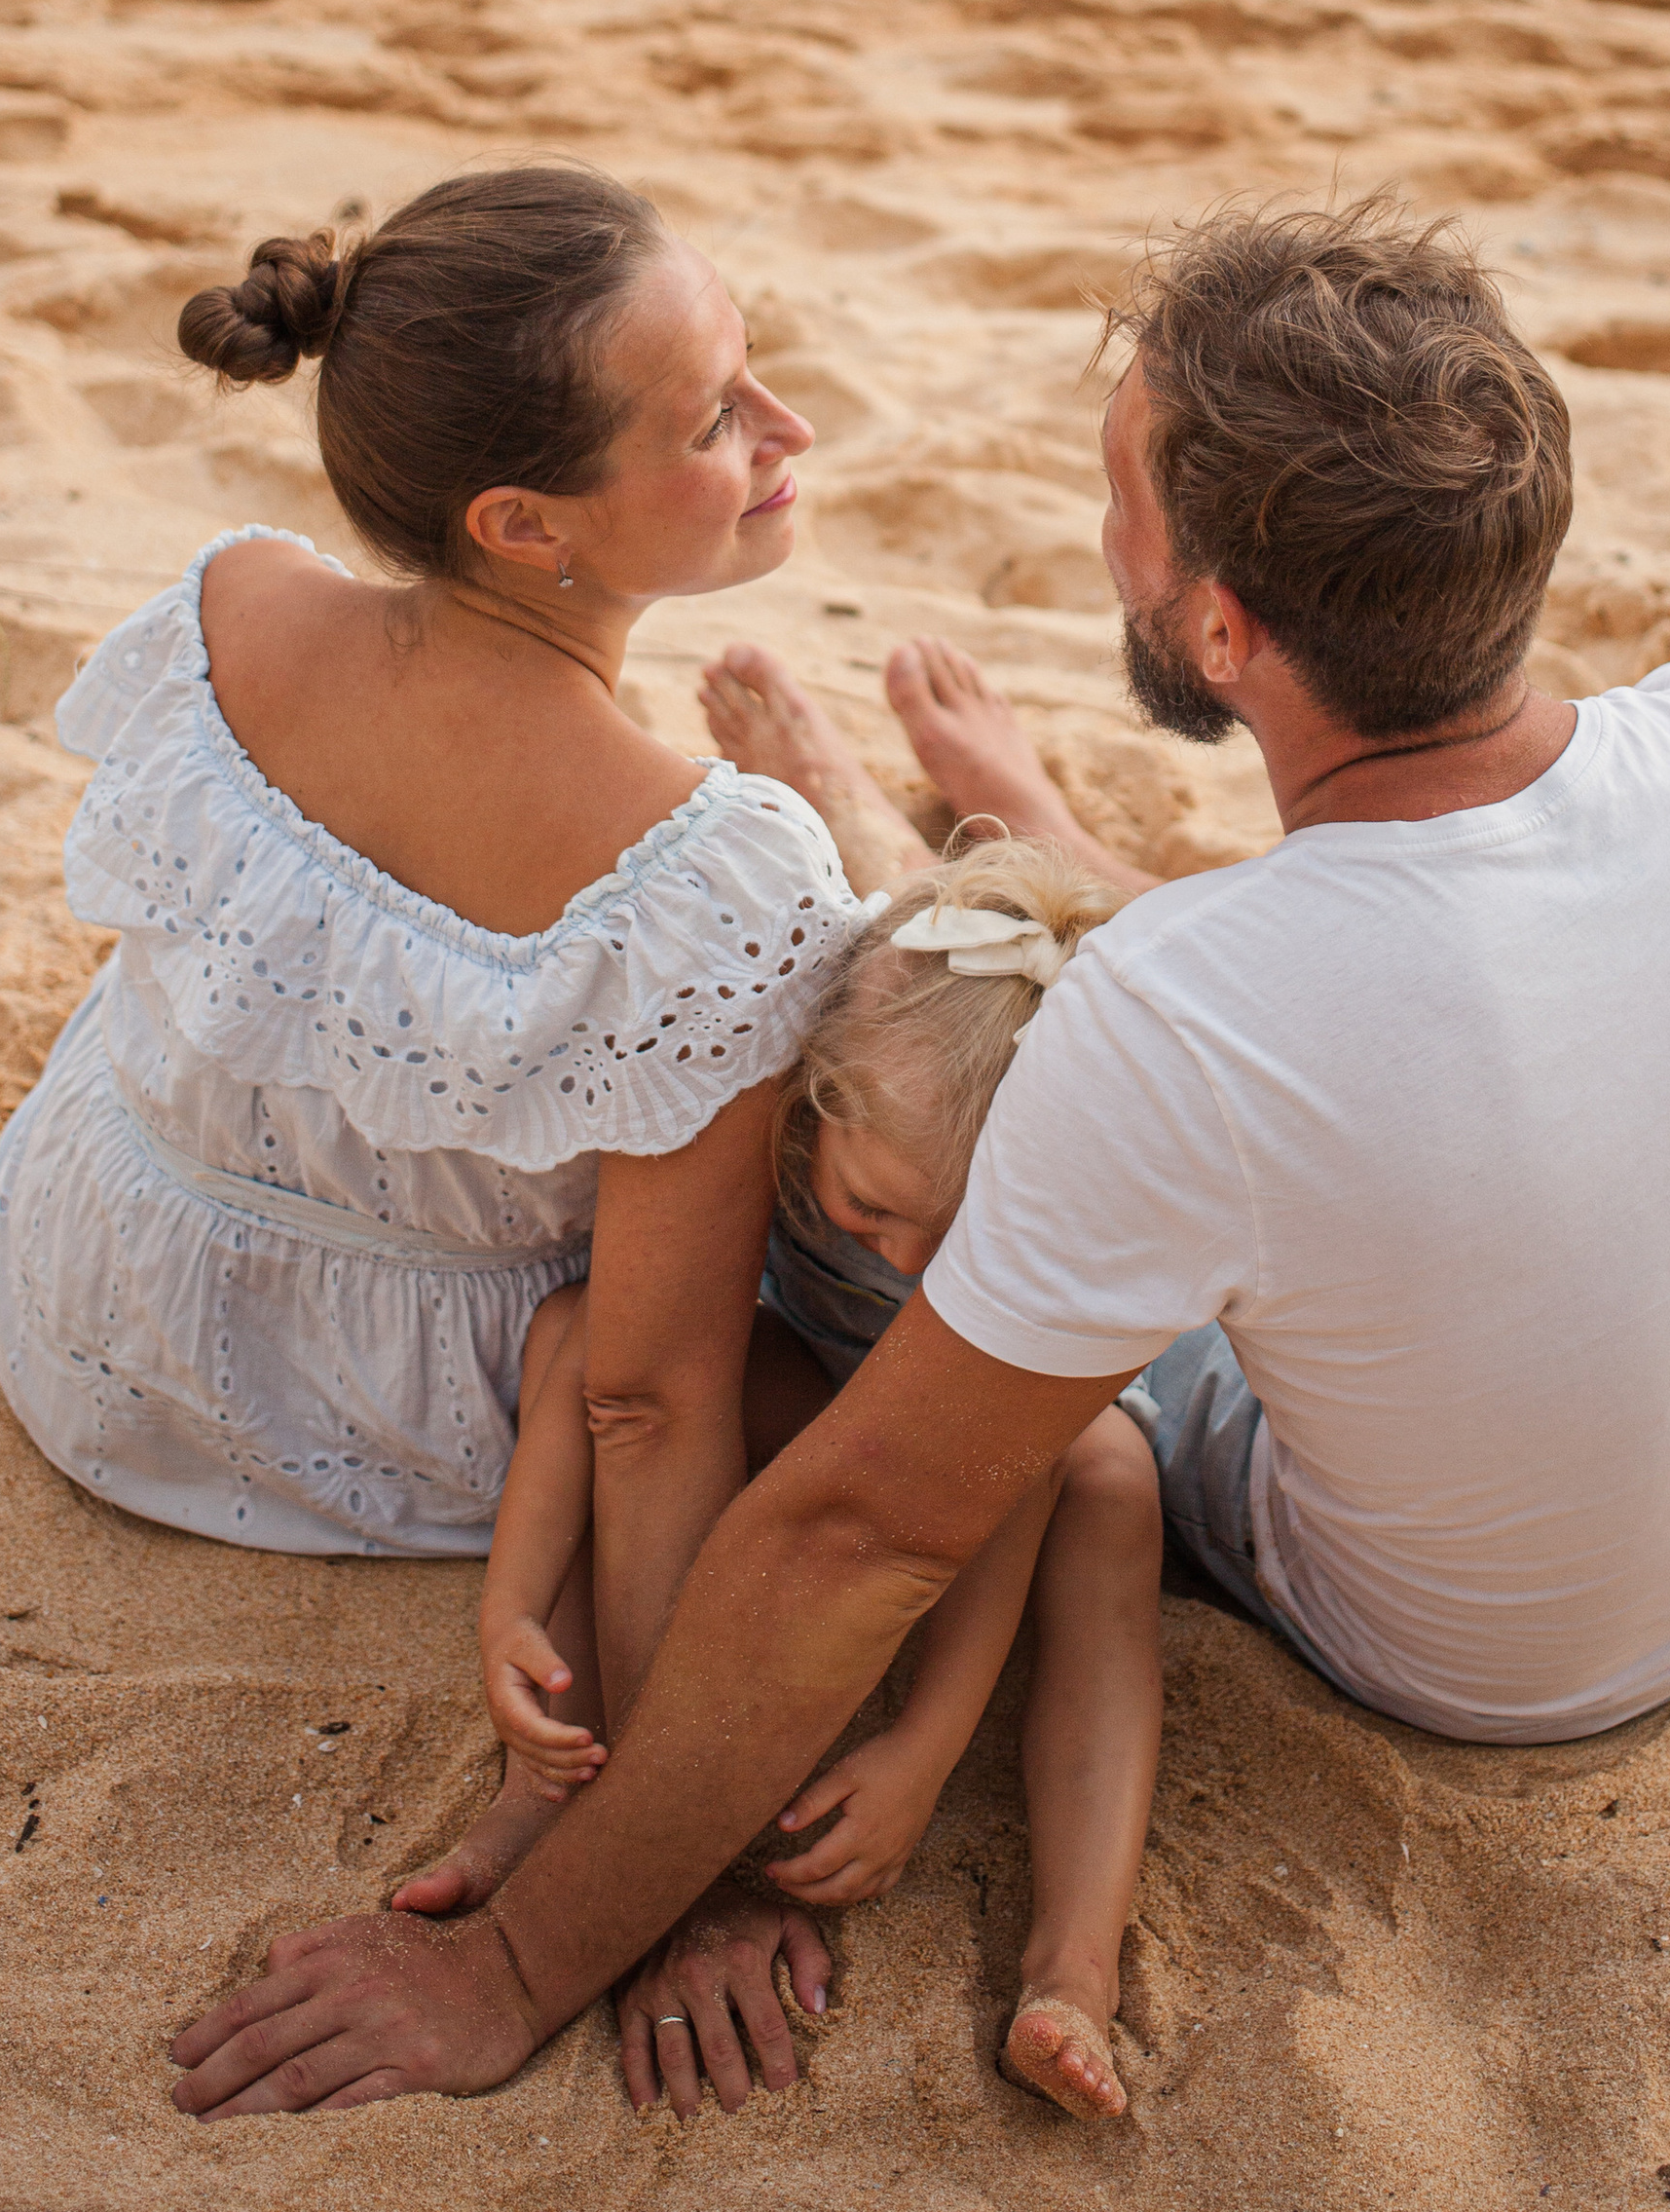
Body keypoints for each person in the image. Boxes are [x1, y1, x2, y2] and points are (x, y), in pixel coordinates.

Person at [164, 194, 1670, 2122]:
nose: (1102, 540)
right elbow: (1363, 977)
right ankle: (953, 846)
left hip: (1475, 1656)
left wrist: (511, 1963)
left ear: (1214, 628)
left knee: (860, 1193)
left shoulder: (1178, 1014)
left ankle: (900, 864)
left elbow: (864, 1533)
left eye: (1123, 509)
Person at [0, 162, 868, 1967]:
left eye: (753, 369)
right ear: (527, 526)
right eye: (713, 418)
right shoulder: (705, 870)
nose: (789, 427)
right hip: (372, 1423)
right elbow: (643, 1401)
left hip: (82, 1297)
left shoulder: (236, 604)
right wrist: (658, 1822)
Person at [425, 834, 1160, 2123]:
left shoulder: (1053, 1209)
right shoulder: (782, 1123)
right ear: (818, 1096)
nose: (927, 1270)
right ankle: (541, 1795)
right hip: (821, 1392)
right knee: (616, 1356)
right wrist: (511, 1604)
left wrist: (924, 1752)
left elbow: (1004, 1483)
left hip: (993, 1441)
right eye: (881, 1216)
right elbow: (596, 1349)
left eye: (966, 1240)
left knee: (1107, 1487)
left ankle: (1072, 1973)